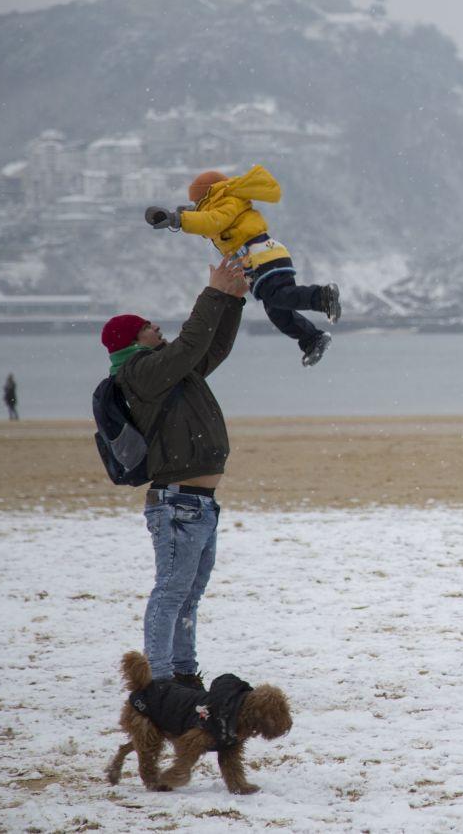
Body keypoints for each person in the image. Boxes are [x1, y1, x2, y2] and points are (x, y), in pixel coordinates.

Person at [104, 255, 248, 686]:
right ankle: (160, 681)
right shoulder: (140, 373)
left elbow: (210, 348)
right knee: (170, 595)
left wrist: (233, 302)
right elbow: (189, 344)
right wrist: (214, 292)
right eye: (148, 325)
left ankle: (184, 676)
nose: (156, 327)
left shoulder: (168, 372)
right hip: (178, 503)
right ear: (133, 340)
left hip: (199, 504)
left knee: (188, 596)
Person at [145, 165, 341, 367]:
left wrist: (179, 220)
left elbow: (212, 222)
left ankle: (323, 297)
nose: (195, 205)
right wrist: (180, 216)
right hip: (259, 261)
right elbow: (208, 221)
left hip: (264, 256)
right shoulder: (224, 203)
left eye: (197, 202)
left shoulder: (228, 201)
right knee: (277, 311)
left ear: (207, 195)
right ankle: (313, 339)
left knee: (279, 296)